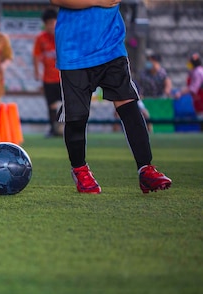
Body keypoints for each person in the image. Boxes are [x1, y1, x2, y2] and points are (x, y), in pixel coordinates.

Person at [51, 0, 171, 194]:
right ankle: (80, 170)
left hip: (111, 47)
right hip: (73, 50)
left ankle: (146, 169)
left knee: (129, 104)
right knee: (77, 117)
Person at [33, 7, 62, 137]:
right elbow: (36, 56)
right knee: (51, 105)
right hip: (48, 78)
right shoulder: (41, 39)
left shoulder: (63, 36)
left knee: (66, 105)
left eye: (53, 22)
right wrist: (36, 72)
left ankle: (65, 129)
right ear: (45, 25)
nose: (51, 26)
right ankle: (53, 129)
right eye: (48, 23)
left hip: (63, 77)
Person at [174, 52, 203, 121]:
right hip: (198, 99)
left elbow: (193, 88)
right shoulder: (195, 71)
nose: (188, 64)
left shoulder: (198, 72)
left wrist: (180, 93)